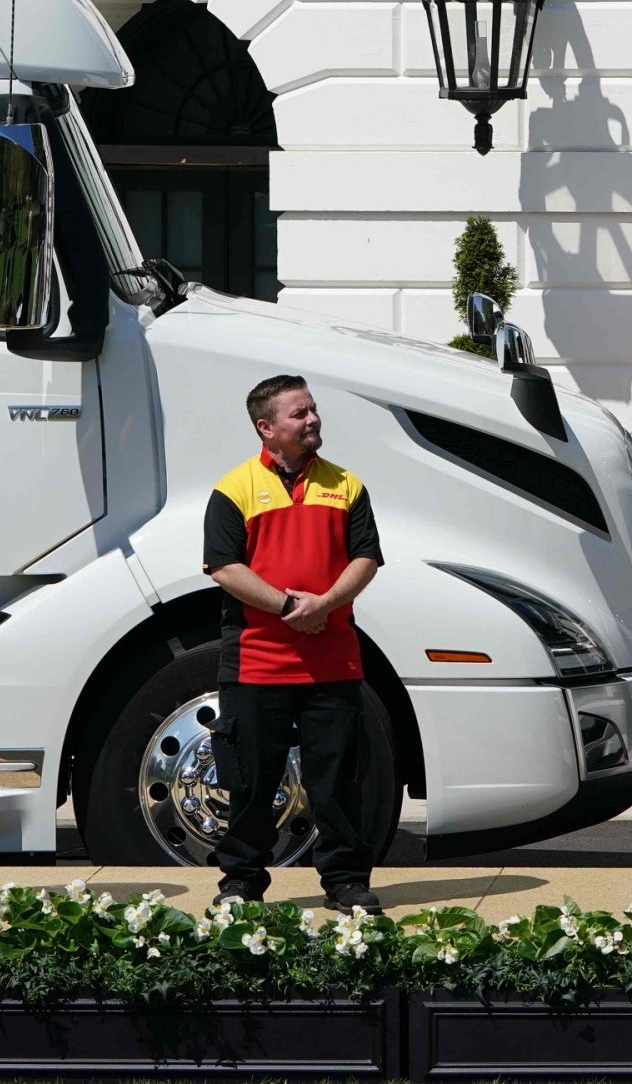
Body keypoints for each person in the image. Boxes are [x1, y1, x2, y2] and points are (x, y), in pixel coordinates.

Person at [203, 375, 384, 913]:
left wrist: (324, 604)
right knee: (251, 782)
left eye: (313, 410)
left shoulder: (347, 485)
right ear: (267, 427)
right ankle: (241, 882)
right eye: (299, 414)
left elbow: (367, 558)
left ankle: (347, 882)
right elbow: (224, 566)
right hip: (257, 663)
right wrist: (288, 607)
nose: (312, 420)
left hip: (332, 661)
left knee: (338, 782)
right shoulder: (234, 489)